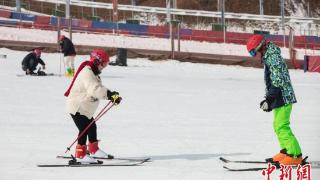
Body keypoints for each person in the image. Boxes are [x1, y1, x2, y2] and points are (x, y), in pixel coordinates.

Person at [246, 34, 303, 166]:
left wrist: (269, 98)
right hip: (279, 96)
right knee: (277, 126)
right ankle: (286, 151)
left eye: (255, 52)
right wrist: (269, 100)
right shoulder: (269, 56)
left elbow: (278, 80)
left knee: (282, 126)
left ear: (261, 47)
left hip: (283, 96)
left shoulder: (273, 57)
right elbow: (272, 81)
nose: (256, 55)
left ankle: (295, 155)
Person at [64, 48, 122, 163]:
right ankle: (80, 154)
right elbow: (94, 89)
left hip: (84, 107)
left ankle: (93, 150)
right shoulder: (87, 72)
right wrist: (110, 95)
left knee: (91, 126)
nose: (104, 67)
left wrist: (111, 95)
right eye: (103, 64)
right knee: (84, 129)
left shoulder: (92, 72)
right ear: (96, 61)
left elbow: (97, 88)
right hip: (77, 106)